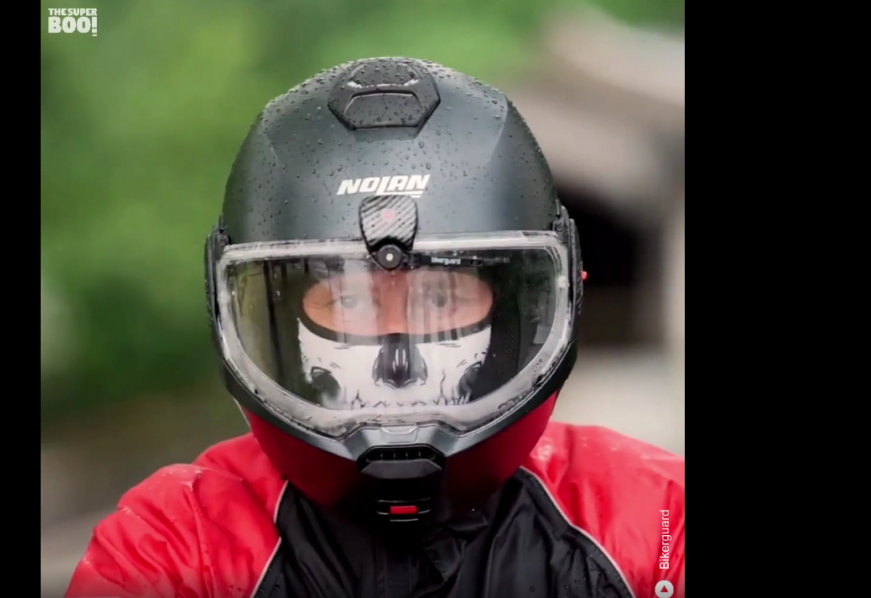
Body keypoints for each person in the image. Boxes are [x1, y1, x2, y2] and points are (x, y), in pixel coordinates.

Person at [65, 57, 685, 598]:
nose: (399, 362)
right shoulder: (180, 545)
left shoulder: (652, 521)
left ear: (515, 313)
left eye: (439, 298)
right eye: (349, 302)